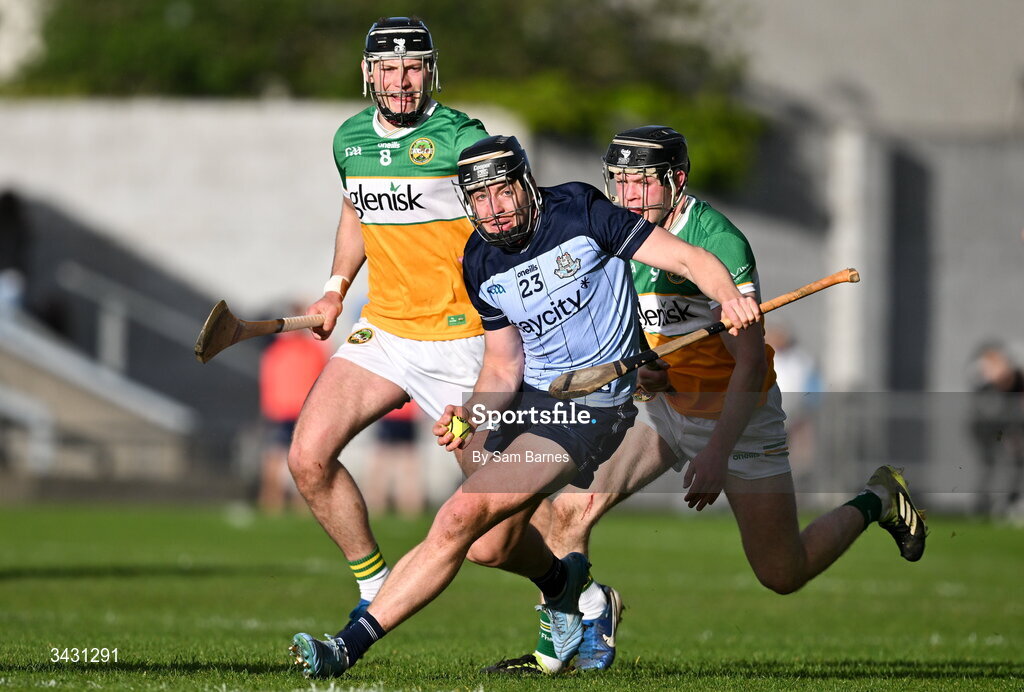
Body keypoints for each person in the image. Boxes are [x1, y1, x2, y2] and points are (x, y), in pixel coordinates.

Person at [289, 134, 761, 678]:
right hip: (531, 400)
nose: (494, 208)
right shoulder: (480, 259)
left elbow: (686, 256)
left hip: (592, 407)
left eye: (503, 192)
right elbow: (502, 365)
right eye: (480, 198)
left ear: (526, 184)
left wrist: (728, 296)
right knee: (488, 546)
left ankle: (344, 648)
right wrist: (475, 412)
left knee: (458, 516)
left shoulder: (583, 211)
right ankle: (567, 590)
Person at [484, 125, 930, 675]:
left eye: (641, 184)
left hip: (736, 413)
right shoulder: (613, 231)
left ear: (677, 180)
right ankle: (578, 635)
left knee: (781, 573)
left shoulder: (718, 242)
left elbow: (746, 364)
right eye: (618, 182)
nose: (627, 197)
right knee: (571, 511)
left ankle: (878, 498)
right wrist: (643, 368)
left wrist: (717, 452)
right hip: (659, 406)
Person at [286, 16, 489, 629]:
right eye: (389, 69)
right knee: (306, 458)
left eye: (413, 67)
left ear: (430, 70)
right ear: (368, 74)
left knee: (491, 538)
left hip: (464, 339)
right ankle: (375, 582)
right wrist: (334, 290)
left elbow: (513, 222)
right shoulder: (349, 139)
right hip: (386, 330)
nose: (402, 81)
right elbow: (357, 207)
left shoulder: (462, 139)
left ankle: (570, 592)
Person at [258, 315, 329, 514]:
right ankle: (286, 503)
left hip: (285, 410)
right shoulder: (311, 350)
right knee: (294, 459)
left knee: (282, 458)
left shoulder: (276, 350)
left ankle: (275, 503)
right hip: (295, 410)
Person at [968, 342, 1024, 516]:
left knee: (1017, 463)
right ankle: (984, 505)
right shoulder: (986, 387)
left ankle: (1011, 502)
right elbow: (987, 411)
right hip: (992, 430)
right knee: (990, 465)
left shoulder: (1016, 381)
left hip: (1010, 429)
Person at [362, 400, 426, 517]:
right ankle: (378, 503)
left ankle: (407, 505)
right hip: (392, 413)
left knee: (403, 464)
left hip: (401, 414)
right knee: (386, 463)